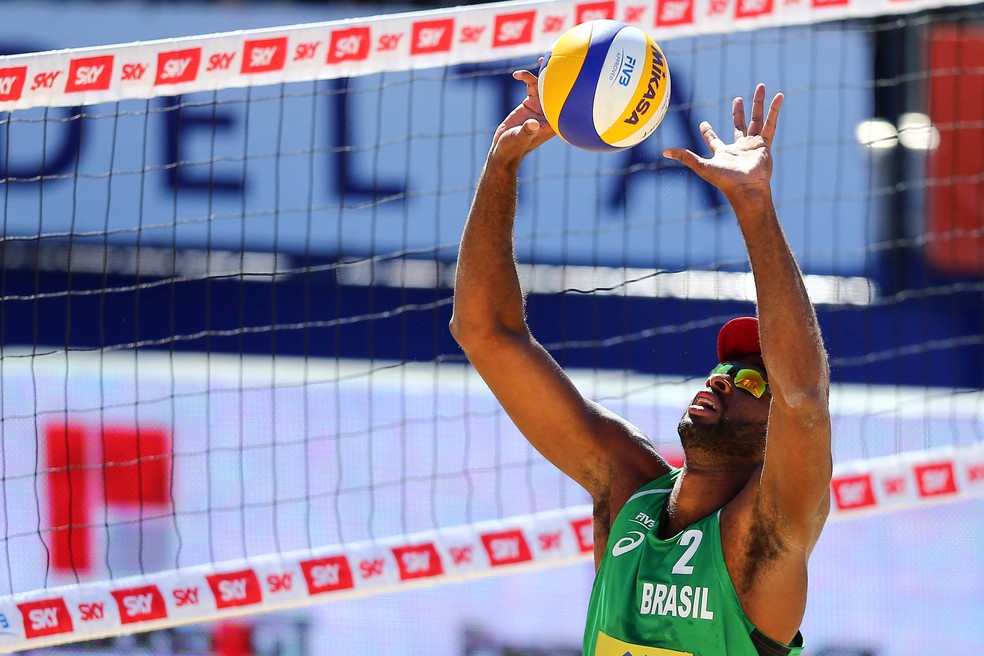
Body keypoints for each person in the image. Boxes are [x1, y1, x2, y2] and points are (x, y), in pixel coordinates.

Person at [449, 68, 831, 656]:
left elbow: (803, 395)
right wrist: (501, 166)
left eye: (751, 379)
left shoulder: (767, 534)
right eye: (722, 369)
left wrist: (754, 207)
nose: (723, 380)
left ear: (772, 436)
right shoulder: (629, 490)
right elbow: (485, 334)